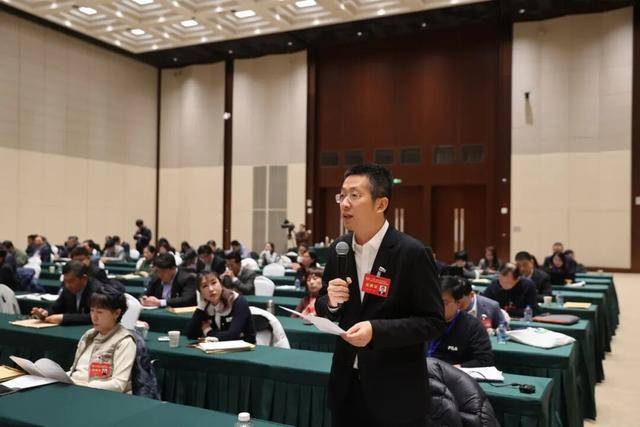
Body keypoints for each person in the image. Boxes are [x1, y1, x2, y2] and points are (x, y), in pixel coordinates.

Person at [315, 164, 445, 426]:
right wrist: (330, 303)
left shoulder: (411, 253)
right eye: (342, 195)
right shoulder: (340, 248)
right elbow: (322, 305)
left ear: (381, 204)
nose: (345, 204)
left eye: (355, 195)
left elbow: (433, 322)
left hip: (396, 393)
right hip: (346, 388)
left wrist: (376, 331)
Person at [68, 286, 136, 393]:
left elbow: (118, 385)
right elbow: (76, 371)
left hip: (99, 395)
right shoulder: (88, 335)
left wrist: (84, 387)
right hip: (76, 388)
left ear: (117, 313)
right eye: (92, 310)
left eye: (100, 312)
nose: (94, 317)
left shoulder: (125, 342)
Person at [428, 276, 495, 368]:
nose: (437, 306)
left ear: (458, 303)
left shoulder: (472, 326)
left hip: (451, 373)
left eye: (444, 303)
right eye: (434, 301)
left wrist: (456, 368)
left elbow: (485, 360)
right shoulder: (424, 321)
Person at [185, 271, 256, 342]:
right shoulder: (205, 306)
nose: (211, 289)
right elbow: (191, 335)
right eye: (205, 286)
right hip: (217, 346)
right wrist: (200, 308)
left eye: (214, 283)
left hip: (244, 346)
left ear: (221, 284)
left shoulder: (238, 301)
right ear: (200, 292)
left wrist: (208, 332)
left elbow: (233, 335)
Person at [30, 261, 103, 325]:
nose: (67, 285)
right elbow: (56, 307)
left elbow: (94, 316)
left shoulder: (97, 291)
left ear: (84, 279)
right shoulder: (67, 288)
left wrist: (64, 318)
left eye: (71, 281)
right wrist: (45, 313)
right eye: (65, 281)